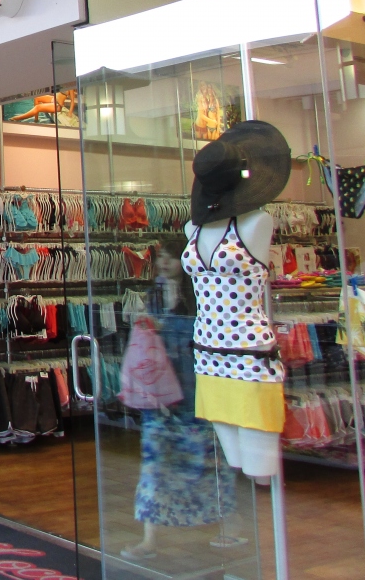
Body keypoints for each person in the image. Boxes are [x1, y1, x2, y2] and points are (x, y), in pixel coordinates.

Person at [122, 240, 227, 561]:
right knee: (154, 461)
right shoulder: (154, 293)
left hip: (193, 390)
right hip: (161, 389)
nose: (165, 263)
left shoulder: (199, 295)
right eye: (161, 258)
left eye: (171, 258)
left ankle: (228, 524)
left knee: (204, 459)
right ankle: (149, 538)